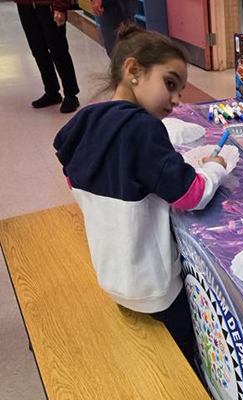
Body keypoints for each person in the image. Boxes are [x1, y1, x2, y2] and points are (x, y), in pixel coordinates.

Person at [53, 24, 228, 367]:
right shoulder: (143, 129)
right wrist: (215, 168)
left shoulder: (86, 120)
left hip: (112, 278)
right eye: (170, 83)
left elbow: (73, 181)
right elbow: (191, 195)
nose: (177, 100)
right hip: (155, 288)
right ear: (133, 71)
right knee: (190, 353)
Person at [15, 0, 80, 113]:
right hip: (25, 5)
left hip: (48, 6)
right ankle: (52, 91)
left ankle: (71, 94)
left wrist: (60, 6)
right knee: (38, 50)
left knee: (58, 50)